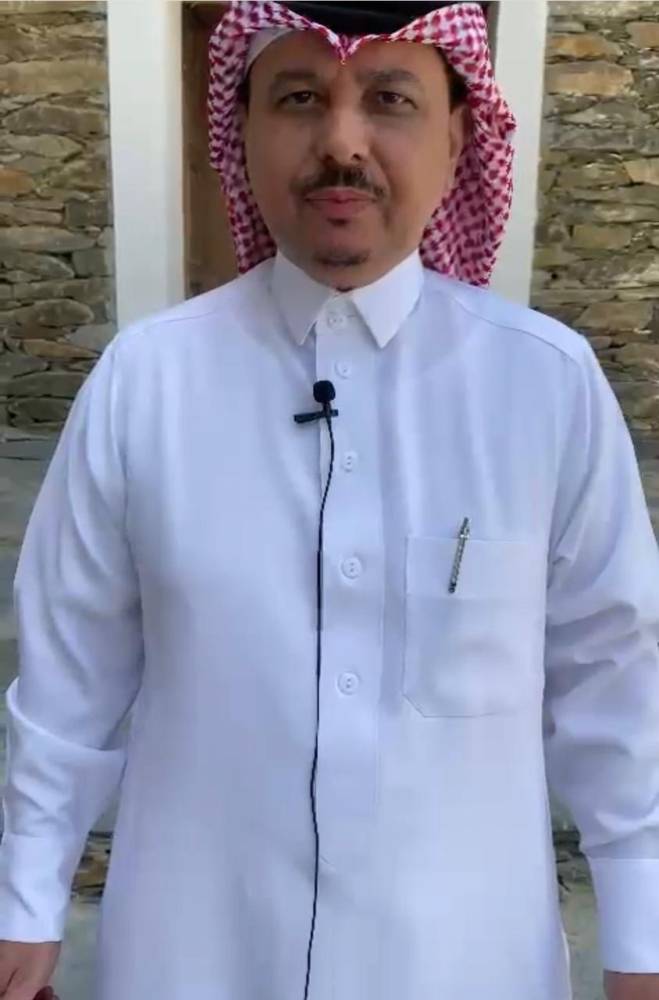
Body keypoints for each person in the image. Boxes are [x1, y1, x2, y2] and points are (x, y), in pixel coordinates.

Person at [0, 2, 658, 999]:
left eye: (389, 99)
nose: (342, 143)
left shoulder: (544, 386)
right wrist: (25, 903)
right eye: (299, 98)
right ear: (243, 130)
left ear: (456, 136)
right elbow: (67, 676)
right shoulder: (147, 382)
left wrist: (641, 941)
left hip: (461, 963)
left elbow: (614, 681)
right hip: (198, 957)